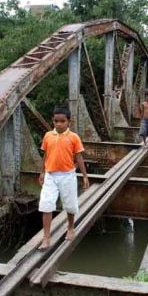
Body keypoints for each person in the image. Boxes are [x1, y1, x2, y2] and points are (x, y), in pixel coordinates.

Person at [38, 105, 90, 250]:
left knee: (70, 204)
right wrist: (42, 172)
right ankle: (46, 238)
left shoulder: (73, 137)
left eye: (62, 121)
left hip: (67, 175)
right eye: (56, 121)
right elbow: (45, 155)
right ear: (52, 121)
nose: (59, 124)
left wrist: (85, 176)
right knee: (46, 205)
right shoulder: (48, 136)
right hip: (50, 175)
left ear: (69, 122)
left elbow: (79, 157)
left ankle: (71, 227)